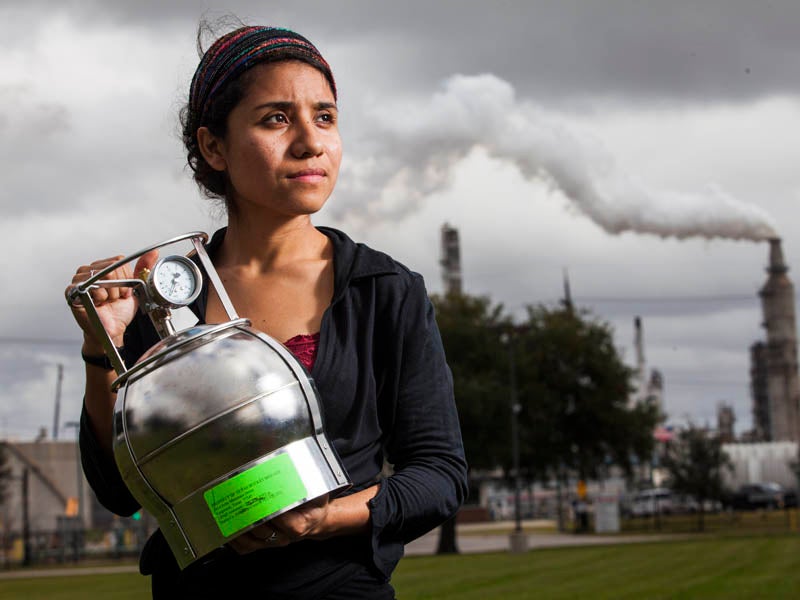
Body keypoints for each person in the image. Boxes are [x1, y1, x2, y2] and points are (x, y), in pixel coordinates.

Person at [66, 24, 467, 599]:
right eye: (276, 119)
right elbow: (122, 491)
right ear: (214, 147)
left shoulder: (385, 290)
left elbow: (439, 475)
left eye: (325, 117)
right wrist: (99, 347)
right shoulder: (158, 300)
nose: (310, 142)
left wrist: (321, 519)